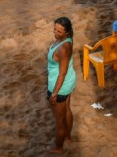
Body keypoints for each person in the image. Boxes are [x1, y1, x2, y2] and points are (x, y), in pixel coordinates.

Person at [47, 17, 76, 154]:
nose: (55, 33)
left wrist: (54, 94)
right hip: (69, 81)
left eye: (59, 31)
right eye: (54, 29)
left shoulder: (63, 48)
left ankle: (59, 147)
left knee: (59, 121)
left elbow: (61, 74)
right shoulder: (68, 39)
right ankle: (68, 137)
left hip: (60, 86)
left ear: (67, 32)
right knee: (67, 109)